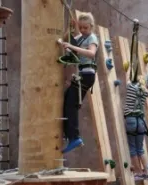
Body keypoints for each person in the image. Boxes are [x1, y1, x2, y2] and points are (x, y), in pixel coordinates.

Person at [57, 13, 98, 154]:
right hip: (82, 74)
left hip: (87, 75)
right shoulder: (81, 38)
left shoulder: (92, 38)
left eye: (85, 27)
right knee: (66, 100)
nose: (83, 30)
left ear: (91, 27)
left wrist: (73, 48)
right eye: (80, 28)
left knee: (71, 104)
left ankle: (74, 137)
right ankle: (68, 134)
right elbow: (67, 41)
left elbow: (91, 53)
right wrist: (70, 29)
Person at [124, 75, 148, 180]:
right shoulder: (145, 92)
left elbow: (128, 81)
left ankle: (138, 172)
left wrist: (129, 73)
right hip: (141, 121)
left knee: (132, 149)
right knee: (140, 149)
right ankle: (147, 173)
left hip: (131, 120)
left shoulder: (131, 88)